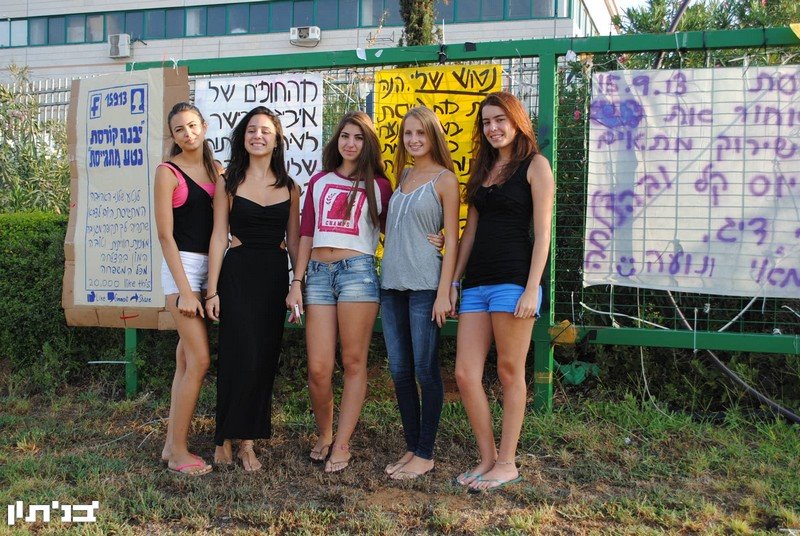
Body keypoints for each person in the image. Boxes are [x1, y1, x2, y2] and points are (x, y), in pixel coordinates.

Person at [451, 91, 554, 492]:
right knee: (465, 374)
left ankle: (507, 463)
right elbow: (469, 233)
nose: (493, 128)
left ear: (516, 121)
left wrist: (532, 289)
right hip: (476, 284)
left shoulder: (535, 165)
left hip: (514, 282)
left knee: (509, 371)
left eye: (500, 120)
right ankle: (487, 458)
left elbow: (543, 234)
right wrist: (455, 282)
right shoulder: (483, 170)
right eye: (486, 122)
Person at [286, 111, 392, 473]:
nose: (351, 143)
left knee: (353, 362)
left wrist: (434, 239)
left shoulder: (380, 185)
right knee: (318, 368)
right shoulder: (319, 181)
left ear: (368, 143)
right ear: (337, 140)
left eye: (359, 138)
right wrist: (297, 281)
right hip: (317, 275)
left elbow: (395, 229)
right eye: (345, 136)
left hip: (357, 274)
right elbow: (306, 234)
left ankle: (343, 443)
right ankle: (325, 432)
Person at [205, 106, 302, 472]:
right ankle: (223, 437)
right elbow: (219, 236)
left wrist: (297, 284)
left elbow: (295, 242)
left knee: (262, 358)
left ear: (276, 141)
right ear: (242, 138)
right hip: (237, 274)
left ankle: (247, 442)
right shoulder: (228, 181)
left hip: (273, 277)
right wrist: (212, 290)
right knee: (236, 355)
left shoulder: (290, 187)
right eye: (251, 130)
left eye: (265, 131)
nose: (257, 135)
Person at [380, 106, 460, 480]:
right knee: (399, 371)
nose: (413, 139)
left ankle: (426, 453)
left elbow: (452, 240)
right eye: (408, 133)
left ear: (433, 136)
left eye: (421, 133)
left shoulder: (445, 179)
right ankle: (412, 448)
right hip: (391, 286)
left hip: (426, 287)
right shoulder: (404, 175)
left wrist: (445, 292)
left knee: (425, 370)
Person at [154, 102, 221, 477]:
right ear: (173, 136)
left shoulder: (217, 170)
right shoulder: (168, 172)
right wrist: (185, 291)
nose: (188, 133)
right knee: (199, 360)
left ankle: (170, 444)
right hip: (182, 269)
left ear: (204, 127)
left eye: (193, 126)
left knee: (184, 360)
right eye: (180, 129)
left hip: (211, 269)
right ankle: (179, 451)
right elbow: (165, 236)